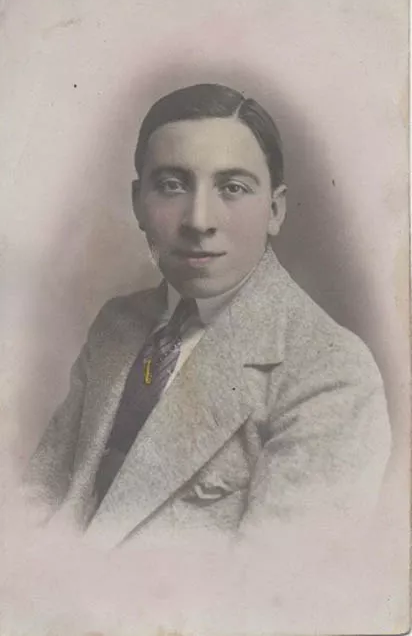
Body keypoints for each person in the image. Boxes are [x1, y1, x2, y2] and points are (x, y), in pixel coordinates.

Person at [23, 83, 391, 551]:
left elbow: (278, 586)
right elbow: (35, 501)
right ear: (138, 202)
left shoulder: (331, 372)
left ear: (275, 209)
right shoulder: (116, 324)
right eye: (171, 185)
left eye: (232, 188)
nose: (199, 221)